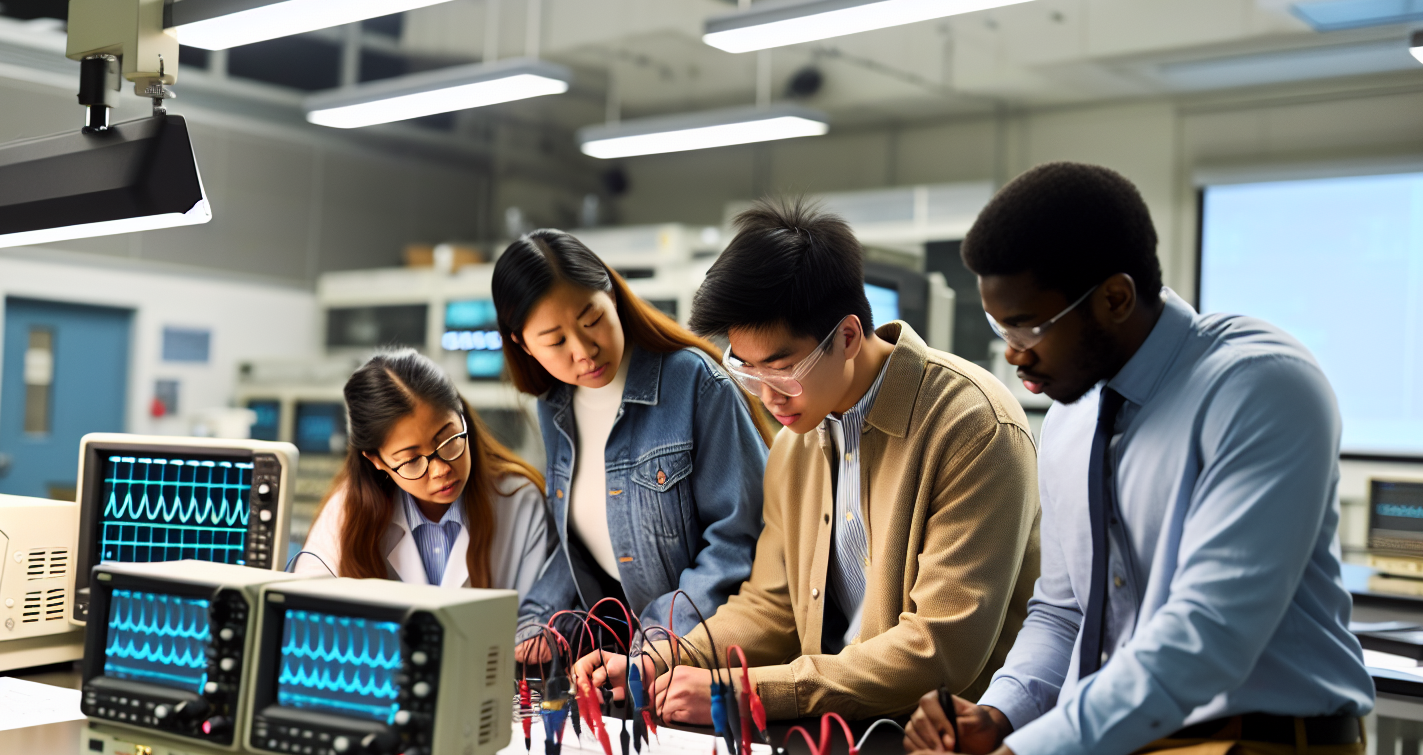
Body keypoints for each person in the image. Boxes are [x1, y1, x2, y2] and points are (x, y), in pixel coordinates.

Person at [867, 162, 1374, 755]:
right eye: (999, 325)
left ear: (1113, 298)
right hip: (1098, 746)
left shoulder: (1261, 387)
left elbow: (1206, 632)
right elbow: (1065, 612)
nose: (1013, 353)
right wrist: (1000, 715)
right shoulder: (1072, 418)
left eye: (1030, 325)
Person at [576, 197, 1040, 722]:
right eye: (746, 372)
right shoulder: (796, 445)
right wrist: (658, 660)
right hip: (841, 732)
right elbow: (769, 610)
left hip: (953, 746)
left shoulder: (971, 425)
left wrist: (744, 694)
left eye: (781, 369)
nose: (768, 396)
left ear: (845, 337)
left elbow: (938, 649)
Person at [493, 229, 770, 662]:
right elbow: (579, 549)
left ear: (613, 296)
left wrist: (657, 645)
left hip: (703, 656)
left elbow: (741, 540)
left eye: (591, 321)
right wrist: (539, 624)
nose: (584, 351)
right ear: (522, 344)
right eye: (555, 341)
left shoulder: (694, 383)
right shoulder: (555, 406)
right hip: (624, 658)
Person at [297, 349, 550, 595]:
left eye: (449, 440)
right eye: (412, 460)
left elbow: (537, 621)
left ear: (462, 419)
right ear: (377, 461)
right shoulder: (347, 512)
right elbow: (305, 607)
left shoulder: (518, 501)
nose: (441, 469)